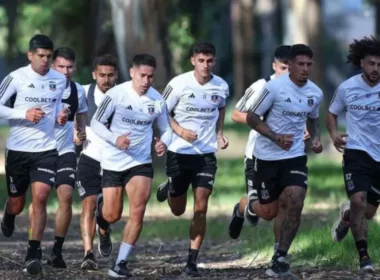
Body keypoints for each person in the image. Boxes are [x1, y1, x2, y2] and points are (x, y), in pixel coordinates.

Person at [91, 54, 172, 278]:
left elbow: (166, 129)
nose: (146, 81)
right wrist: (115, 139)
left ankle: (120, 264)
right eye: (142, 75)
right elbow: (96, 123)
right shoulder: (116, 94)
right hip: (113, 161)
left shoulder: (157, 100)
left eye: (150, 76)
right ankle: (102, 219)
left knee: (138, 211)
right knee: (112, 214)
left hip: (140, 162)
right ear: (132, 72)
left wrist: (164, 142)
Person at [246, 44, 323, 277]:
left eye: (309, 64)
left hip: (295, 156)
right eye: (301, 64)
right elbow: (251, 117)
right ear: (290, 65)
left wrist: (317, 139)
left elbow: (313, 119)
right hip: (267, 156)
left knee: (295, 199)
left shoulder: (315, 93)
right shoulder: (274, 88)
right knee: (269, 211)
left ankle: (280, 256)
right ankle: (247, 206)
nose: (305, 69)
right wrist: (274, 136)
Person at [155, 42, 229, 277]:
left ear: (214, 61)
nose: (205, 65)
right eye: (201, 60)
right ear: (192, 61)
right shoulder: (178, 84)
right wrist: (179, 131)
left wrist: (219, 133)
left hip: (205, 155)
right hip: (179, 152)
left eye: (209, 61)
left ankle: (191, 262)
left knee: (201, 208)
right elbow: (162, 111)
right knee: (178, 209)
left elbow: (221, 108)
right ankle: (170, 189)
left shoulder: (221, 86)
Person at [0, 34, 68, 275]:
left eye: (49, 57)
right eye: (41, 56)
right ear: (30, 55)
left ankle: (32, 254)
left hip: (46, 149)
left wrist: (61, 116)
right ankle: (8, 214)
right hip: (18, 150)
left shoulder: (59, 80)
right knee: (18, 203)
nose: (45, 61)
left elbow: (58, 106)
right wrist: (24, 114)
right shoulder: (16, 78)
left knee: (40, 197)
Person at [27, 47, 88, 268]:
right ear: (53, 66)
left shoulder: (78, 90)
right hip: (41, 151)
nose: (66, 71)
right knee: (39, 199)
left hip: (66, 151)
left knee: (66, 196)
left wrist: (80, 134)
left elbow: (80, 118)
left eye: (69, 67)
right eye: (61, 66)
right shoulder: (39, 87)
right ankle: (33, 248)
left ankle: (57, 251)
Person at [228, 46, 292, 250]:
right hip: (258, 155)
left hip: (287, 155)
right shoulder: (261, 86)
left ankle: (279, 253)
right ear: (274, 66)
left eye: (291, 68)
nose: (287, 73)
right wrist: (261, 120)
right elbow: (236, 114)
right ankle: (242, 207)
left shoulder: (300, 88)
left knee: (286, 203)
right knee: (267, 211)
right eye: (283, 67)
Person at [327, 36, 380, 273]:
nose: (376, 69)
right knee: (359, 200)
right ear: (362, 63)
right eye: (371, 64)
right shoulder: (347, 87)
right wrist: (334, 134)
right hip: (357, 152)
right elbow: (331, 113)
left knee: (367, 212)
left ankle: (346, 216)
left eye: (379, 65)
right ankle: (364, 258)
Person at [76, 54, 118, 270]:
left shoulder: (125, 95)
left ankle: (104, 229)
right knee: (88, 204)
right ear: (94, 75)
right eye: (102, 75)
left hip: (115, 162)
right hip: (89, 158)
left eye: (110, 75)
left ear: (117, 75)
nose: (106, 79)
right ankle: (88, 254)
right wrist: (74, 134)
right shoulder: (83, 92)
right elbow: (66, 114)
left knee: (108, 210)